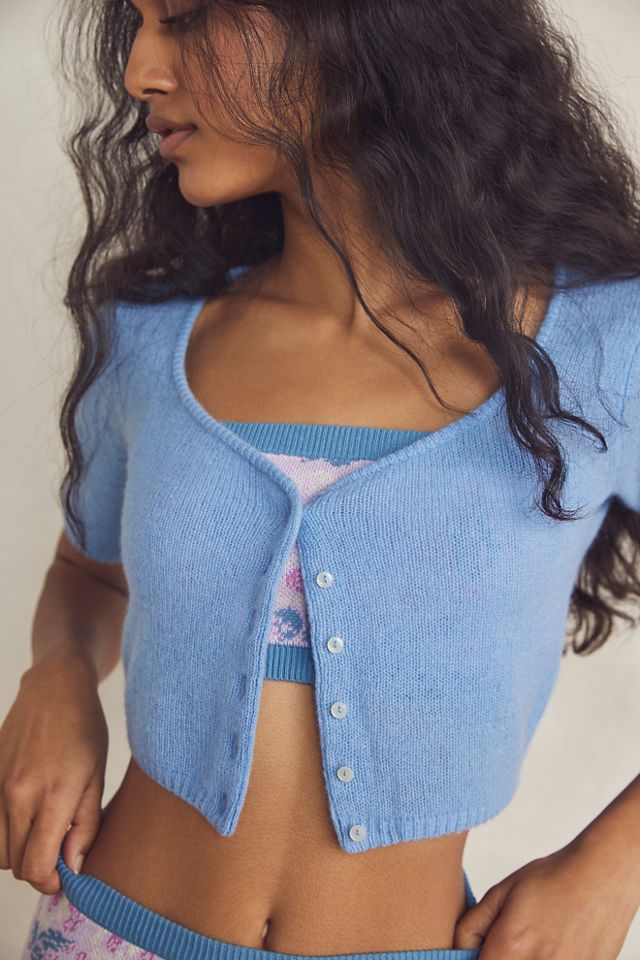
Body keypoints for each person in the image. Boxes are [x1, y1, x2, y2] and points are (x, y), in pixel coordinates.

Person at [4, 1, 640, 958]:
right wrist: (55, 678)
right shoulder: (147, 333)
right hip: (104, 931)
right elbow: (88, 571)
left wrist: (615, 866)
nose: (138, 70)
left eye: (185, 16)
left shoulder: (606, 344)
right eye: (137, 22)